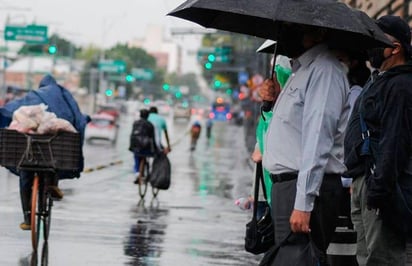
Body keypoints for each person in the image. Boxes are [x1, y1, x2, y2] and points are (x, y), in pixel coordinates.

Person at [259, 23, 350, 265]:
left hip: (304, 189)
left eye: (291, 28)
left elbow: (317, 139)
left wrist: (304, 204)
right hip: (288, 188)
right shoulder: (300, 71)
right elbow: (292, 130)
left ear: (319, 32)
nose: (282, 33)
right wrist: (271, 103)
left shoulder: (325, 71)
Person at [344, 15, 412, 266]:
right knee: (366, 257)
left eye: (377, 41)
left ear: (395, 48)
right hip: (364, 180)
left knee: (381, 259)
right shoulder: (378, 80)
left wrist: (379, 190)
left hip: (381, 185)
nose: (370, 47)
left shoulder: (401, 85)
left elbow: (395, 141)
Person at [0, 74, 89, 230]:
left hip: (28, 152)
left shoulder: (35, 96)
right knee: (53, 162)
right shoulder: (64, 96)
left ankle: (28, 219)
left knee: (25, 177)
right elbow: (77, 116)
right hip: (52, 148)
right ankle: (52, 185)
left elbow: (13, 109)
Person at [129, 109, 156, 184]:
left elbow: (132, 135)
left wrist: (131, 146)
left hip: (136, 146)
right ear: (148, 116)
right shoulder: (150, 125)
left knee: (136, 158)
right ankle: (147, 173)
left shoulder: (135, 123)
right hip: (146, 147)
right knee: (148, 157)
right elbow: (152, 138)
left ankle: (137, 172)